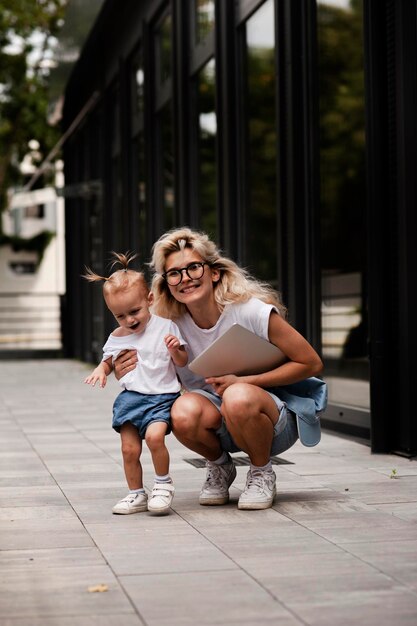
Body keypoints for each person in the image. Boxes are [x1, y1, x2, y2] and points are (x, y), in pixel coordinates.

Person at [114, 229, 326, 511]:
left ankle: (261, 471)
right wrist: (121, 370)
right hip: (219, 421)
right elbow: (150, 376)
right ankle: (220, 467)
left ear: (213, 272)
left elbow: (311, 363)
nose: (185, 278)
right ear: (166, 284)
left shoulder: (250, 311)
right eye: (174, 273)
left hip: (273, 420)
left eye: (193, 267)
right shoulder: (167, 325)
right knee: (181, 410)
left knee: (237, 394)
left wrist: (246, 380)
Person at [83, 252, 188, 515]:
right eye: (120, 316)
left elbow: (183, 362)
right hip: (131, 399)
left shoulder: (166, 328)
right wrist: (101, 369)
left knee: (154, 439)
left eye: (134, 311)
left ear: (149, 300)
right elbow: (109, 360)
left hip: (161, 398)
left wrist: (176, 350)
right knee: (129, 449)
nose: (129, 320)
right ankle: (136, 493)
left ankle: (163, 485)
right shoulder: (118, 336)